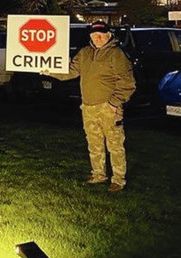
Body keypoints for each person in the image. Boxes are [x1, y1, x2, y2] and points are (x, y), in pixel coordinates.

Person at [50, 20, 136, 193]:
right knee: (94, 143)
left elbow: (128, 83)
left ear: (109, 35)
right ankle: (98, 174)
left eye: (101, 34)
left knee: (115, 144)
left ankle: (118, 179)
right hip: (88, 107)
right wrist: (49, 70)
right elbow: (70, 71)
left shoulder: (116, 54)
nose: (97, 38)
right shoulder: (84, 53)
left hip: (109, 108)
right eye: (94, 34)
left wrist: (114, 103)